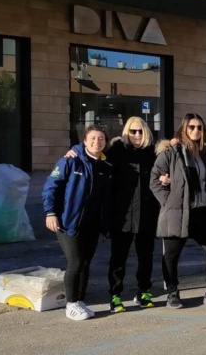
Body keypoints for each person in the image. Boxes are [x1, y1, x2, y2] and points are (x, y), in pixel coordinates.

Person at [68, 117, 160, 312]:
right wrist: (75, 150)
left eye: (140, 131)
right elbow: (93, 150)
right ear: (126, 132)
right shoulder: (116, 151)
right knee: (118, 258)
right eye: (133, 131)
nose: (137, 135)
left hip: (147, 214)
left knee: (146, 257)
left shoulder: (153, 153)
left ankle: (144, 291)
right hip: (122, 215)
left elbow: (171, 157)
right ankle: (115, 294)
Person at [150, 114, 206, 308]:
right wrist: (168, 202)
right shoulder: (172, 152)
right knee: (171, 255)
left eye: (199, 127)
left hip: (202, 211)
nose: (196, 131)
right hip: (178, 212)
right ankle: (172, 294)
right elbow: (154, 180)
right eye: (191, 127)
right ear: (184, 129)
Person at [42, 125, 113, 321]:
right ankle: (71, 304)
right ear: (85, 141)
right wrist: (51, 213)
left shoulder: (106, 166)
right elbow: (51, 187)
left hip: (92, 223)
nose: (97, 142)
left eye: (101, 138)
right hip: (68, 222)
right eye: (93, 138)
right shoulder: (70, 160)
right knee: (76, 262)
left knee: (86, 263)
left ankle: (80, 301)